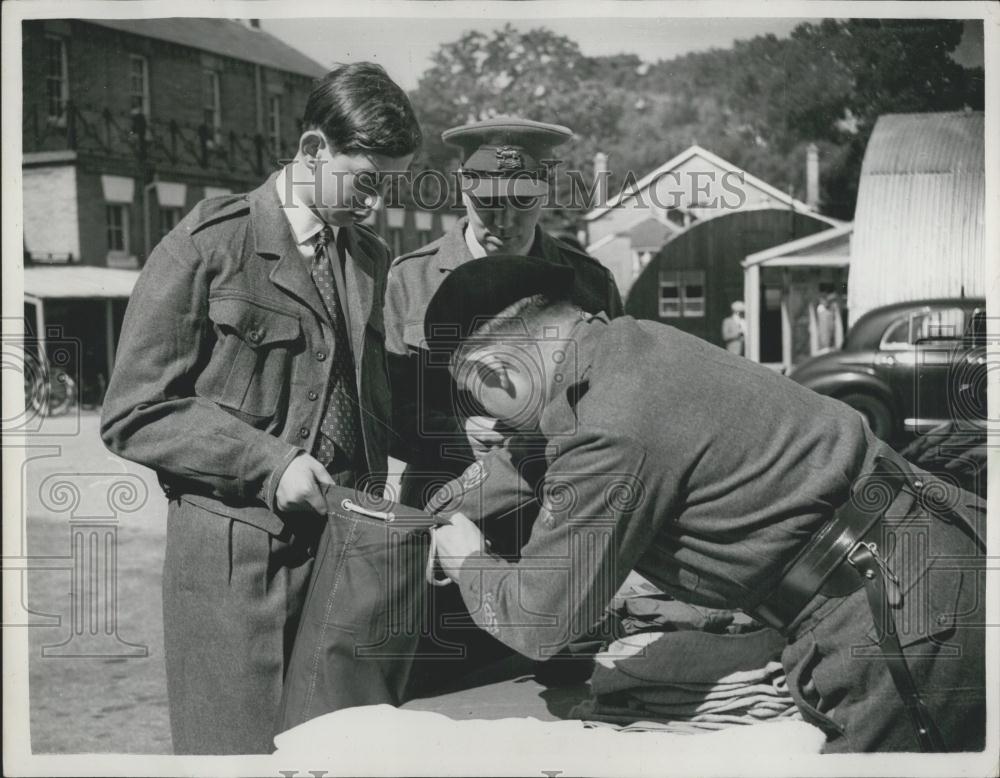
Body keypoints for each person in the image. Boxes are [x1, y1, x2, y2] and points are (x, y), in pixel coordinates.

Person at [426, 255, 986, 753]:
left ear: (493, 372)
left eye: (474, 392)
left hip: (899, 613)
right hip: (920, 553)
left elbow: (540, 620)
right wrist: (447, 504)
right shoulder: (628, 348)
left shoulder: (608, 426)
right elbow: (540, 451)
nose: (489, 416)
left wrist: (468, 562)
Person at [100, 63, 421, 754]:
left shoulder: (369, 257)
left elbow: (378, 402)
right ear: (311, 150)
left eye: (387, 186)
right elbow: (134, 410)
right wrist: (271, 465)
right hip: (234, 569)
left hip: (341, 564)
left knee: (340, 754)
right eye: (367, 182)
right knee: (235, 758)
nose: (377, 204)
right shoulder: (210, 245)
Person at [383, 117, 623, 694]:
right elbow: (383, 410)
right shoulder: (407, 282)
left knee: (560, 702)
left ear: (545, 191)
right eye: (489, 204)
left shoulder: (588, 283)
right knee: (439, 699)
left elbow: (617, 402)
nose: (505, 222)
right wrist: (453, 432)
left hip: (551, 528)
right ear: (463, 190)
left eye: (523, 201)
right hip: (445, 526)